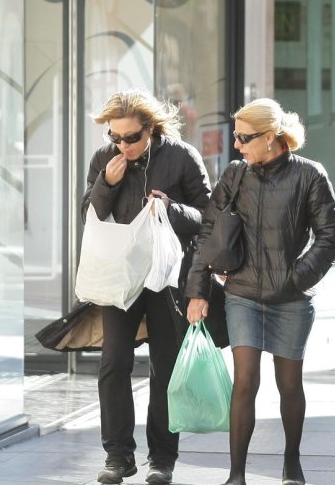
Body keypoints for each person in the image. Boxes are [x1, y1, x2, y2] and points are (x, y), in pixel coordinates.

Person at [185, 98, 335, 485]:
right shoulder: (235, 175)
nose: (236, 145)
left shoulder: (309, 175)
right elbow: (208, 234)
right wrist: (198, 291)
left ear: (271, 137)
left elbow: (331, 236)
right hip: (242, 294)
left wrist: (297, 277)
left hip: (291, 298)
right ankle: (236, 474)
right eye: (236, 136)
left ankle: (291, 462)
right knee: (245, 380)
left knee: (289, 384)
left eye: (244, 137)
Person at [82, 90, 212, 485]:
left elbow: (208, 218)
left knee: (166, 367)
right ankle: (118, 456)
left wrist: (171, 209)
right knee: (113, 363)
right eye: (115, 137)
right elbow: (89, 214)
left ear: (151, 129)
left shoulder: (182, 156)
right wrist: (107, 183)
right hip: (122, 277)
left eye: (132, 137)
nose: (123, 145)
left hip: (168, 278)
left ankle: (162, 459)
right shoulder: (105, 160)